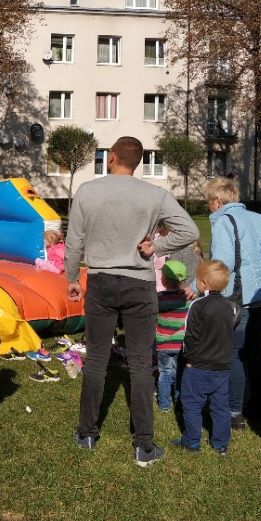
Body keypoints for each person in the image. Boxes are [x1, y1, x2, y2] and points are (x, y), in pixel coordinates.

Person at [65, 136, 199, 467]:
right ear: (138, 161)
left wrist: (71, 279)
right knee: (140, 363)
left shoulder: (87, 191)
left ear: (112, 157)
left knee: (96, 359)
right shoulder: (155, 195)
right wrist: (160, 245)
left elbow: (74, 241)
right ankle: (144, 446)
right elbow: (190, 230)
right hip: (139, 285)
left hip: (101, 281)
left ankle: (86, 433)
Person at [204, 177, 261, 430]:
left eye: (208, 203)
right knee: (254, 350)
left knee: (234, 352)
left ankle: (234, 411)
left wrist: (198, 287)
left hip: (239, 297)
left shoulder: (225, 220)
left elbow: (222, 265)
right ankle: (258, 407)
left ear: (217, 201)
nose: (208, 208)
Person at [172, 260, 237, 455]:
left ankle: (191, 442)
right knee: (220, 406)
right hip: (223, 366)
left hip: (198, 365)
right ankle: (220, 444)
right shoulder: (230, 307)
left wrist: (189, 358)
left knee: (191, 404)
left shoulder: (197, 305)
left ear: (203, 283)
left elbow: (190, 335)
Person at [155, 260, 190, 412]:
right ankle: (179, 401)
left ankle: (163, 404)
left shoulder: (159, 298)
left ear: (164, 280)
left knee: (164, 373)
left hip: (163, 343)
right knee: (179, 372)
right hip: (181, 343)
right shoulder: (187, 298)